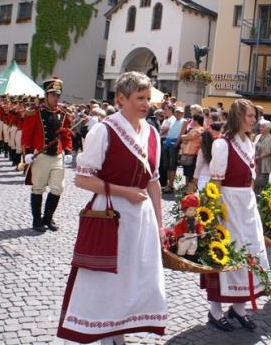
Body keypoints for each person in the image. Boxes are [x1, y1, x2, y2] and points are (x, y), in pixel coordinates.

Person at [57, 71, 167, 344]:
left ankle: (119, 334)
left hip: (141, 217)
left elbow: (153, 183)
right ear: (121, 98)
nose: (146, 104)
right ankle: (107, 337)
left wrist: (160, 224)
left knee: (133, 279)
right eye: (140, 98)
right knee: (107, 280)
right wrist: (124, 192)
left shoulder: (152, 133)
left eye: (148, 98)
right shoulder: (104, 130)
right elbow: (82, 179)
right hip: (111, 214)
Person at [203, 99, 269, 331]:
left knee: (250, 252)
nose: (253, 120)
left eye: (254, 116)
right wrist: (215, 215)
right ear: (237, 117)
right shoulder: (223, 144)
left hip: (246, 204)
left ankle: (239, 308)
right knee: (227, 255)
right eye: (249, 116)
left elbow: (249, 179)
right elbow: (216, 182)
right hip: (228, 204)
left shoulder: (248, 142)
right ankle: (215, 310)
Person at [22, 77, 73, 233]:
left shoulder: (62, 113)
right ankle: (37, 219)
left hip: (57, 155)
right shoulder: (36, 112)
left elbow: (66, 134)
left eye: (58, 95)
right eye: (53, 95)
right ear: (46, 95)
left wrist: (68, 150)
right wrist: (27, 152)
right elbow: (27, 134)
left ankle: (48, 218)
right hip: (41, 155)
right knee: (38, 188)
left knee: (58, 188)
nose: (56, 98)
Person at [192, 122, 221, 193]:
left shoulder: (202, 151)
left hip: (203, 177)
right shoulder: (215, 148)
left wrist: (195, 179)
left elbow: (198, 166)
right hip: (213, 177)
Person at [161, 106, 185, 192]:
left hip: (174, 143)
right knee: (167, 165)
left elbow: (182, 133)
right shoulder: (171, 120)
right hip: (167, 142)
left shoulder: (184, 121)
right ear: (175, 112)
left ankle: (171, 184)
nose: (178, 114)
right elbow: (168, 131)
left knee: (172, 165)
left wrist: (177, 143)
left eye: (180, 112)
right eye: (177, 112)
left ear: (182, 114)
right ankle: (169, 184)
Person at [179, 113, 204, 188]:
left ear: (196, 121)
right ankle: (187, 186)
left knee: (191, 172)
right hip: (187, 153)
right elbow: (185, 138)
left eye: (192, 119)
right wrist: (185, 137)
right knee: (186, 172)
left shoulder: (200, 129)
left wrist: (185, 137)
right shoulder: (193, 129)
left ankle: (191, 188)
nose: (191, 121)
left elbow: (189, 137)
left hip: (193, 154)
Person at [254, 119, 271, 193]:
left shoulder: (270, 138)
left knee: (262, 184)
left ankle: (261, 198)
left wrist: (256, 157)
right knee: (255, 182)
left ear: (268, 128)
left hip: (264, 164)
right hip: (256, 163)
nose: (260, 128)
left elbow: (268, 152)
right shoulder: (258, 136)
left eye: (263, 127)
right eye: (260, 127)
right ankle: (255, 197)